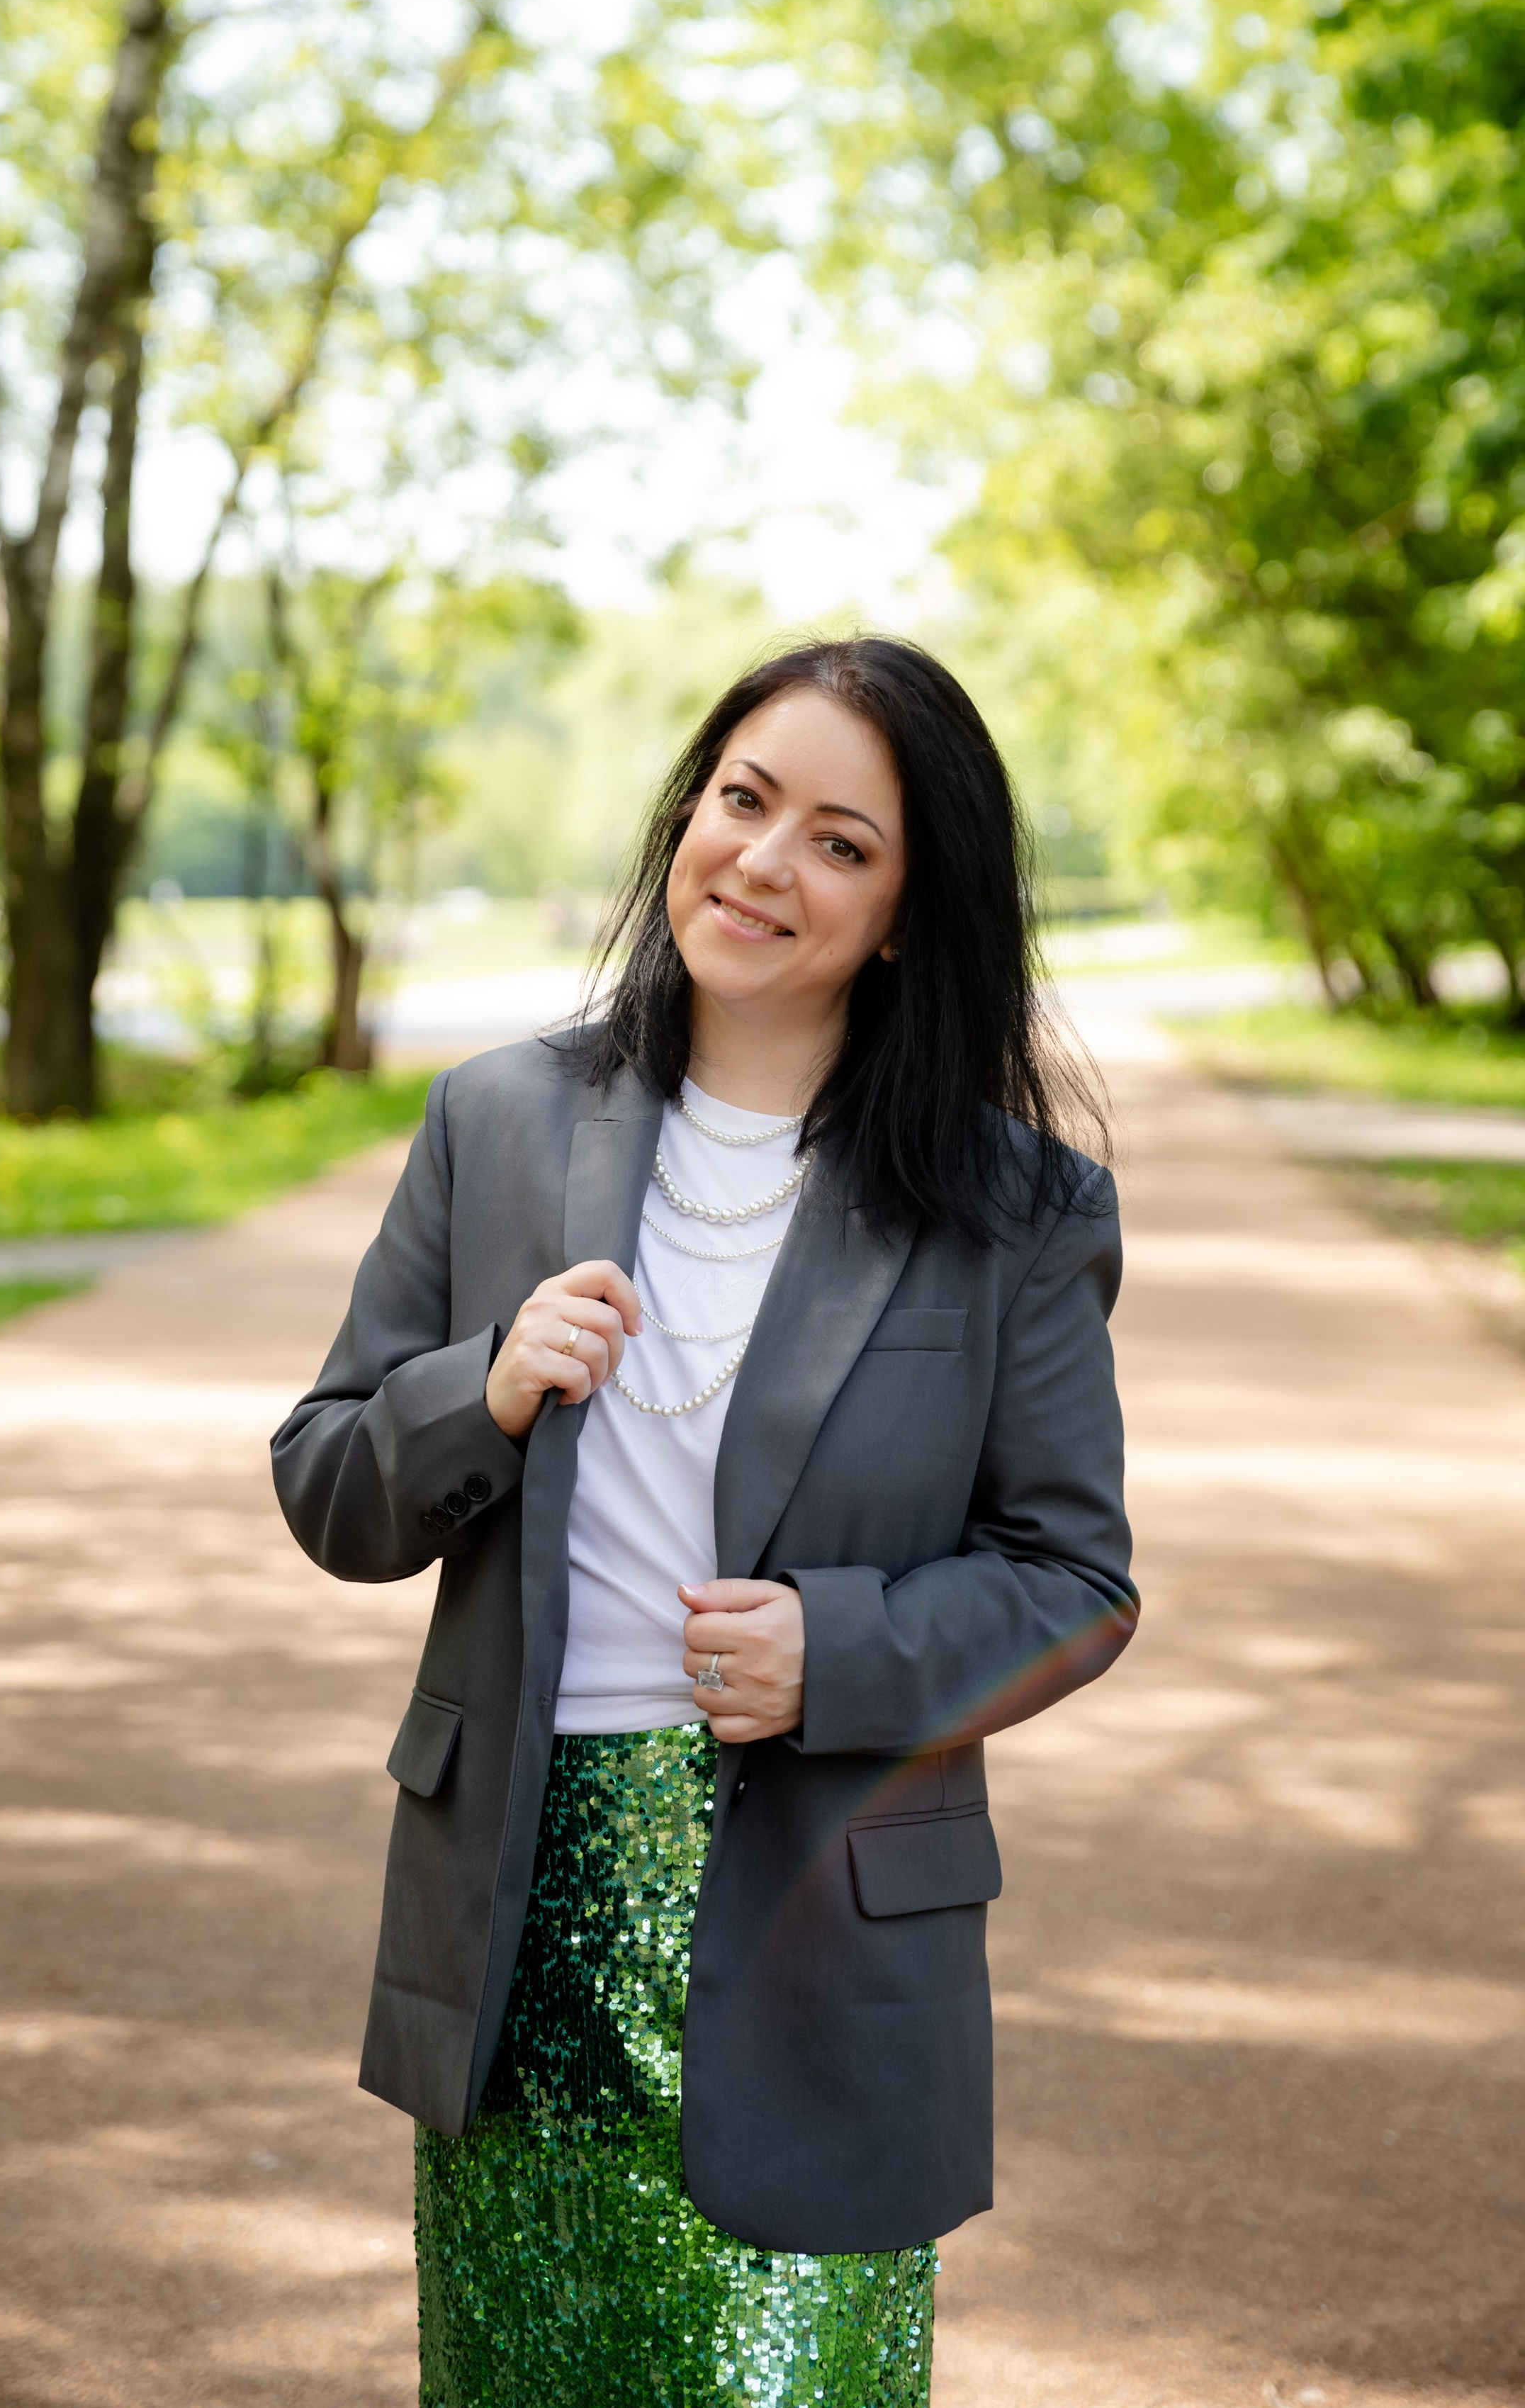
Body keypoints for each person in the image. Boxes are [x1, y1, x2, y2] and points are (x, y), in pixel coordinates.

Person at [271, 635, 1135, 2406]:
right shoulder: (497, 1119)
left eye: (839, 840)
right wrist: (484, 1384)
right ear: (688, 813)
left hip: (823, 1911)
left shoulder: (1010, 1206)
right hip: (521, 1905)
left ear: (904, 910)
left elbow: (1074, 1577)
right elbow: (329, 1484)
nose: (761, 861)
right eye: (742, 801)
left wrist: (844, 1650)